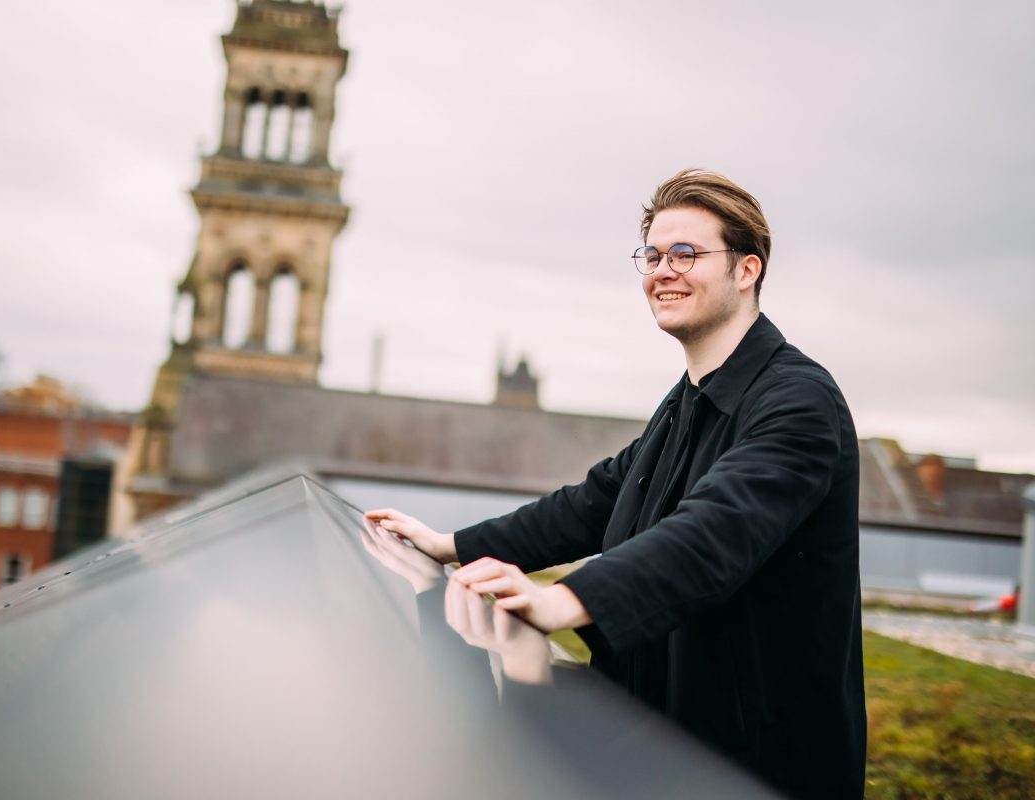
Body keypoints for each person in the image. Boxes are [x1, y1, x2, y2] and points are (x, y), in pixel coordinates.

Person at [366, 168, 867, 799]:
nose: (663, 269)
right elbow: (591, 505)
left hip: (754, 771)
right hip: (655, 750)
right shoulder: (684, 403)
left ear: (747, 270)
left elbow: (714, 530)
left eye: (686, 252)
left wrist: (561, 603)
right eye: (652, 255)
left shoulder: (799, 402)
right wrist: (450, 546)